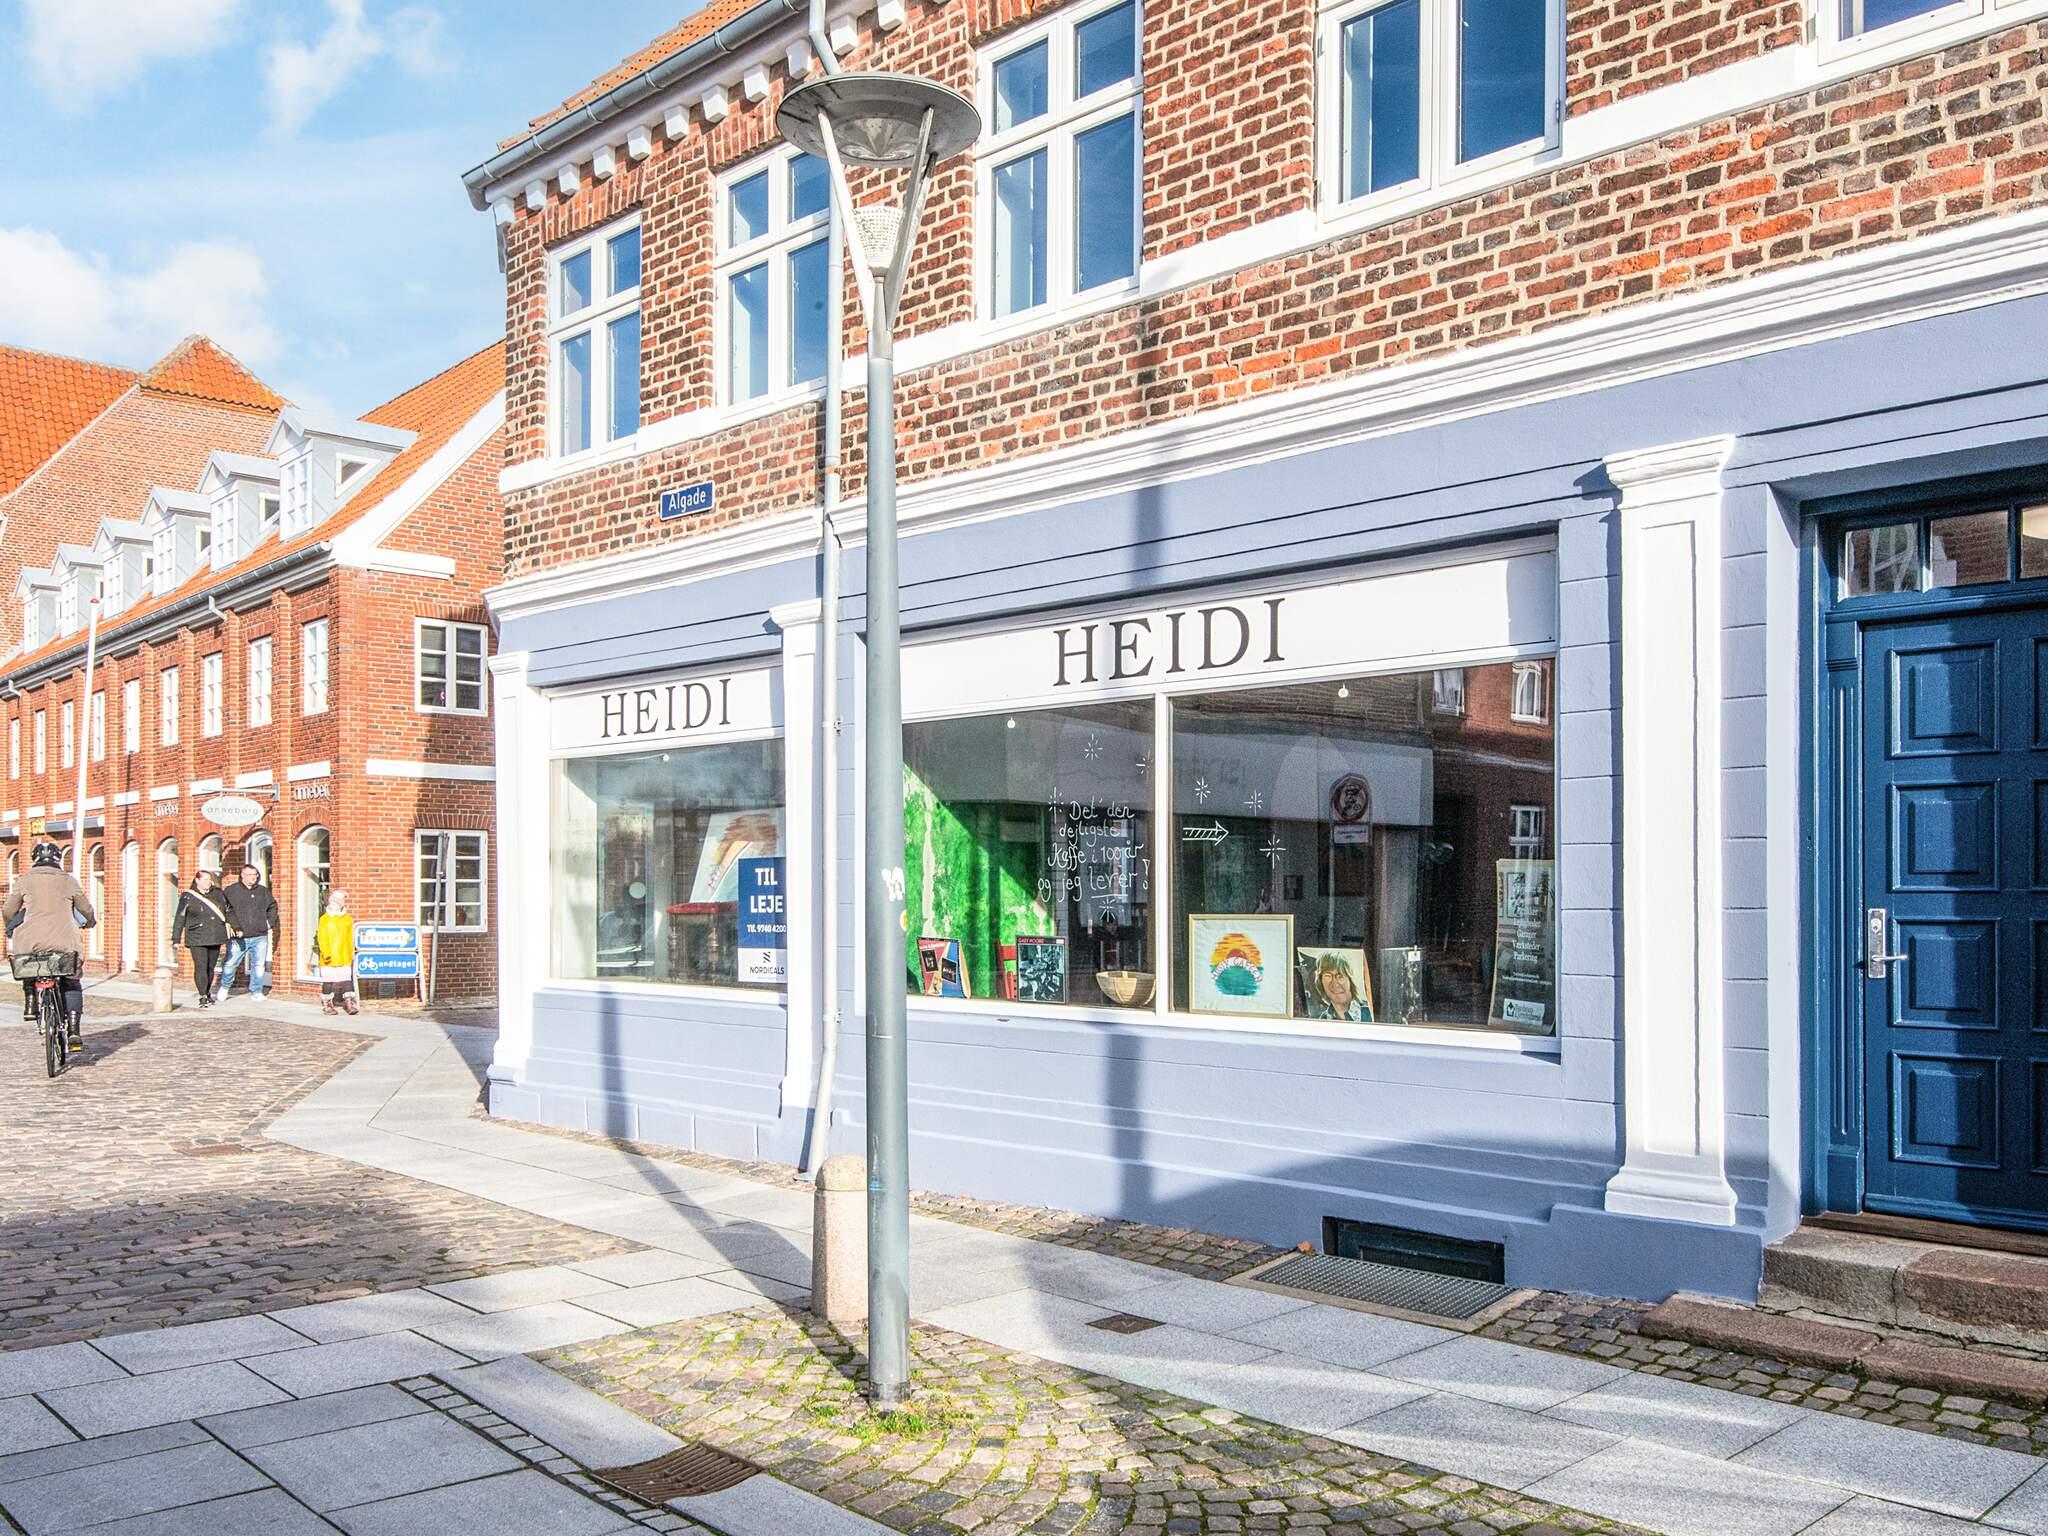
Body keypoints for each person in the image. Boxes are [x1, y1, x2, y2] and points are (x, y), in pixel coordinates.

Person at [3, 841, 93, 1047]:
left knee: (29, 965)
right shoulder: (68, 881)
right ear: (57, 859)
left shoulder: (24, 881)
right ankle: (73, 1031)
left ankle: (30, 1002)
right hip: (64, 942)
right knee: (71, 982)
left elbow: (8, 910)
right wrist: (89, 922)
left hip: (30, 942)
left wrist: (11, 925)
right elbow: (85, 909)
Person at [216, 862, 279, 1002]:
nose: (253, 877)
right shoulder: (231, 891)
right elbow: (224, 909)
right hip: (239, 936)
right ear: (242, 875)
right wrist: (232, 927)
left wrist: (269, 923)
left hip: (260, 935)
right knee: (231, 964)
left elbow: (273, 906)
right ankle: (225, 987)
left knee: (258, 965)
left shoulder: (263, 891)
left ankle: (256, 991)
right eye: (250, 875)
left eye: (255, 875)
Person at [170, 869, 231, 1009]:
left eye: (210, 880)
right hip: (196, 936)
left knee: (210, 967)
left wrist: (236, 927)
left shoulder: (218, 894)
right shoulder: (188, 896)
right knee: (201, 965)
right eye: (205, 880)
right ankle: (202, 995)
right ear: (197, 880)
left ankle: (207, 991)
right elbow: (180, 917)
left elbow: (228, 911)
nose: (208, 882)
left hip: (215, 934)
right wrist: (176, 938)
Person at [312, 888, 359, 1016]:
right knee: (328, 981)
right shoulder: (325, 919)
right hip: (330, 956)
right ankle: (327, 1004)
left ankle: (349, 1003)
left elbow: (350, 937)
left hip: (344, 955)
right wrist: (326, 953)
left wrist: (351, 953)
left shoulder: (347, 919)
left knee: (346, 980)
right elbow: (322, 938)